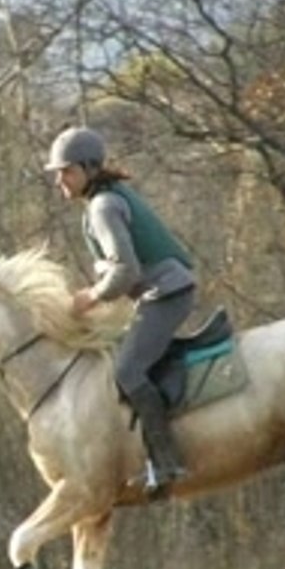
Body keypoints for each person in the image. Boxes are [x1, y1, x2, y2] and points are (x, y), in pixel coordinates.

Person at [45, 125, 195, 494]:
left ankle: (166, 463)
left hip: (167, 293)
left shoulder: (103, 206)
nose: (60, 180)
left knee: (127, 370)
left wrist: (91, 297)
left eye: (66, 171)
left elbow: (126, 270)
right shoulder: (106, 200)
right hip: (161, 291)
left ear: (89, 169)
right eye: (58, 173)